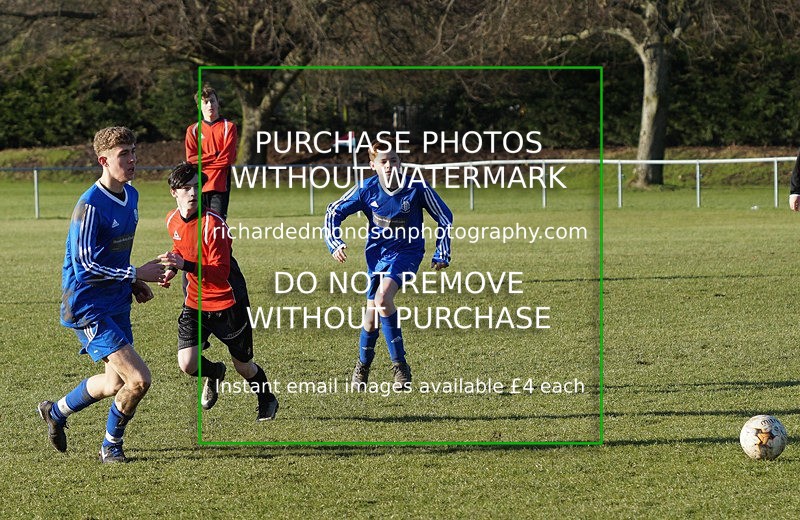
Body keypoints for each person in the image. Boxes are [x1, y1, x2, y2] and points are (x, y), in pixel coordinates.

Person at [38, 126, 166, 463]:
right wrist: (135, 273)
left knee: (114, 385)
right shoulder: (89, 206)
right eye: (124, 154)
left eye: (133, 152)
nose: (132, 159)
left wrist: (132, 282)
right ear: (103, 161)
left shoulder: (132, 195)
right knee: (138, 380)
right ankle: (111, 445)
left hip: (116, 299)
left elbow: (114, 255)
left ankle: (55, 411)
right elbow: (85, 266)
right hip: (87, 305)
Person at [324, 140, 453, 388]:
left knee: (383, 299)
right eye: (383, 161)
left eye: (394, 160)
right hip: (377, 257)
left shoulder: (416, 187)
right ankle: (363, 366)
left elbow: (444, 216)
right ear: (373, 165)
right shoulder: (366, 189)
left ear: (399, 161)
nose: (389, 165)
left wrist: (441, 252)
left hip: (407, 253)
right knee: (371, 317)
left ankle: (400, 367)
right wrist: (335, 242)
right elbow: (333, 211)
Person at [158, 162, 278, 421]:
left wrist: (185, 265)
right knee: (187, 363)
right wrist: (172, 269)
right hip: (196, 301)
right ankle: (214, 373)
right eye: (186, 188)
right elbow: (181, 248)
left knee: (243, 366)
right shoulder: (171, 219)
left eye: (197, 187)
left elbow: (221, 272)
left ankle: (266, 398)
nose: (192, 193)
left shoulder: (214, 225)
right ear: (174, 192)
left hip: (228, 302)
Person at [185, 84, 238, 220]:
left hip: (219, 186)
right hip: (198, 186)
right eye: (205, 102)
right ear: (199, 106)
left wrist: (203, 162)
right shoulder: (193, 130)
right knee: (198, 225)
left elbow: (227, 160)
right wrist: (215, 155)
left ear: (218, 103)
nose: (210, 105)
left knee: (217, 225)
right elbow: (191, 160)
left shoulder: (229, 127)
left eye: (212, 101)